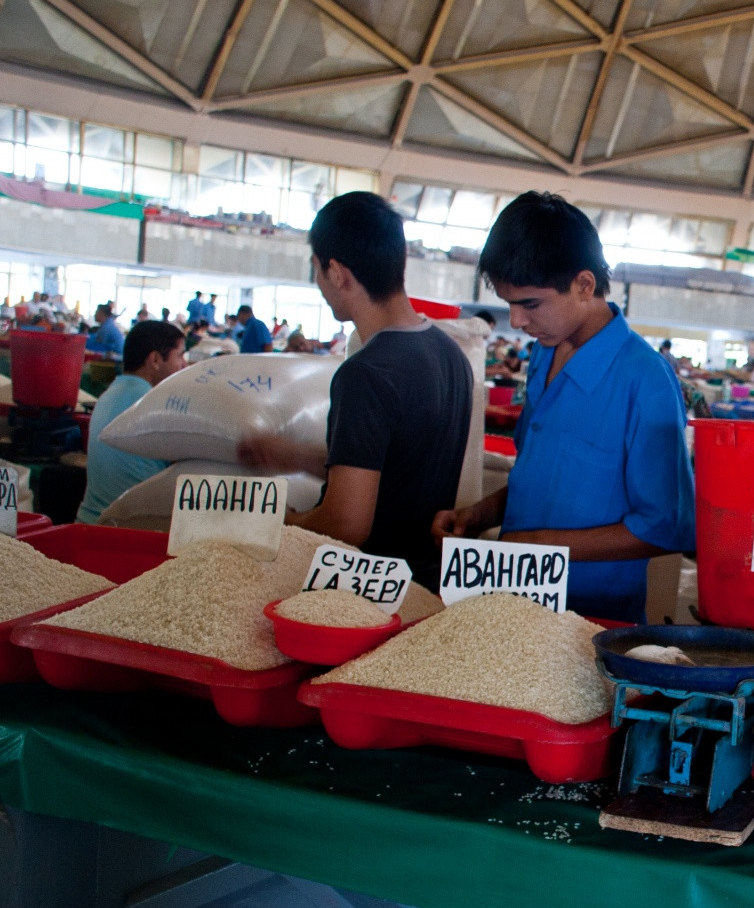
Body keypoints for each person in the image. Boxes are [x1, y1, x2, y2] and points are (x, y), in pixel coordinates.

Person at [430, 192, 695, 622]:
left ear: (584, 285)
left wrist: (538, 544)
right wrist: (480, 514)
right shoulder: (542, 355)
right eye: (509, 304)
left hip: (591, 623)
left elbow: (665, 526)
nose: (515, 321)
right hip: (509, 607)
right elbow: (536, 475)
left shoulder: (644, 380)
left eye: (530, 304)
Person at [238, 191, 473, 590]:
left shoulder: (366, 372)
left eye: (316, 270)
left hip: (366, 591)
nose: (318, 283)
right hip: (425, 583)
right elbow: (398, 467)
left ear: (338, 273)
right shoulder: (449, 353)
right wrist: (293, 456)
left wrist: (277, 522)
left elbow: (346, 524)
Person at [77, 321, 187, 523]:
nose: (184, 365)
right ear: (155, 359)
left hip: (88, 523)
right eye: (180, 355)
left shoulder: (107, 395)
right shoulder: (157, 403)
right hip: (129, 533)